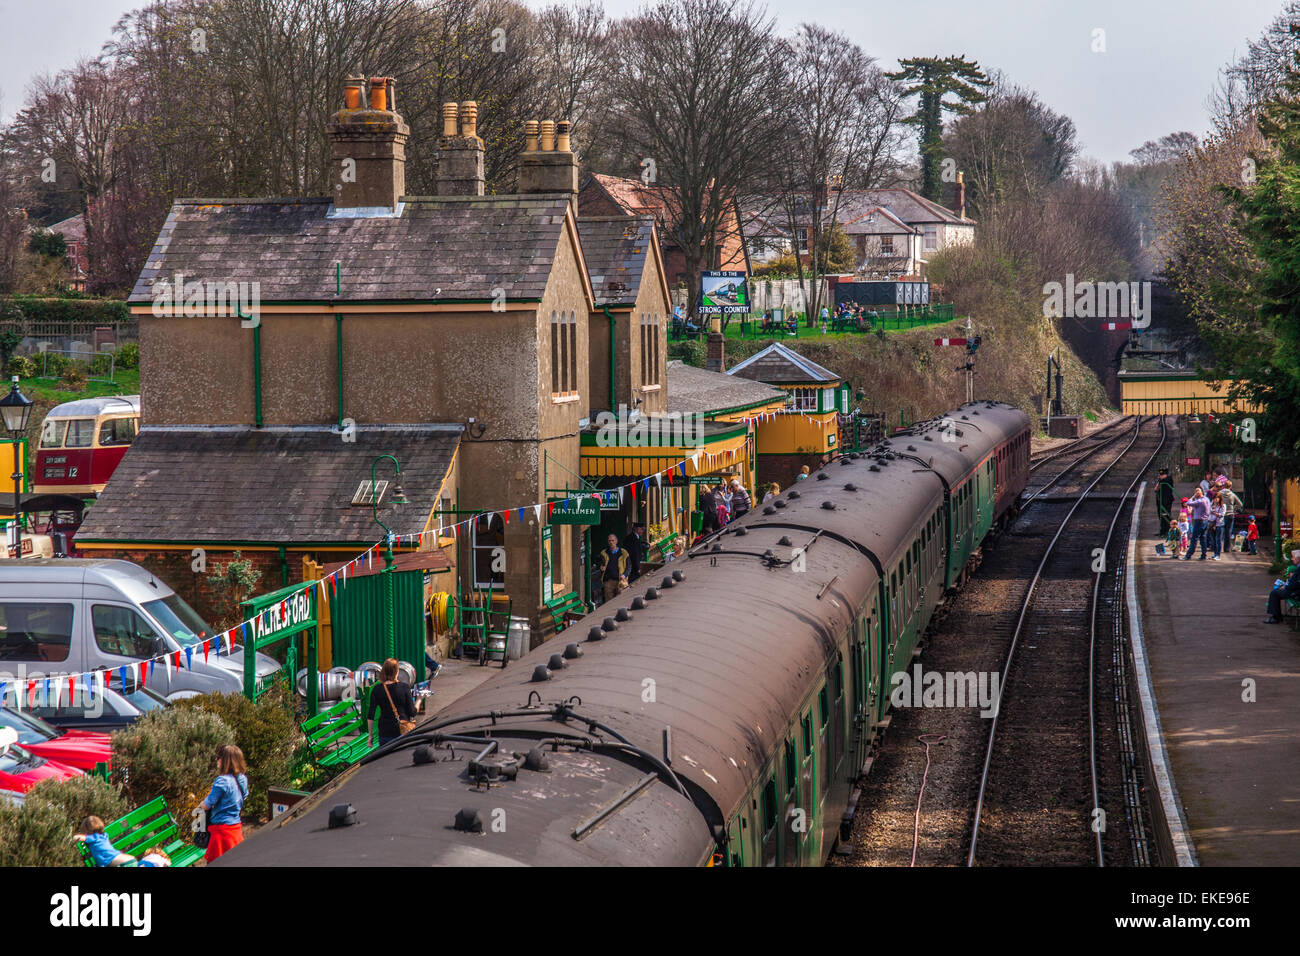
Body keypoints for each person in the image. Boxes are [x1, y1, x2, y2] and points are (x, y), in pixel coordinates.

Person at [199, 744, 249, 863]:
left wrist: (199, 805)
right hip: (235, 828)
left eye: (218, 757)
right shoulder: (242, 778)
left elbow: (208, 804)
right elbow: (245, 795)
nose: (217, 760)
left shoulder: (222, 781)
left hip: (221, 832)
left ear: (224, 760)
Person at [368, 658, 416, 746]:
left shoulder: (377, 689)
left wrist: (370, 736)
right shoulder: (404, 687)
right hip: (402, 731)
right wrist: (419, 700)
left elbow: (371, 714)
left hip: (384, 732)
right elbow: (412, 712)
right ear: (396, 672)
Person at [1264, 552, 1300, 623]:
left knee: (1274, 593)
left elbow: (1298, 584)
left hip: (1296, 592)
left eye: (1293, 557)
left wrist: (1286, 586)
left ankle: (1276, 617)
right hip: (1295, 590)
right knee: (1276, 590)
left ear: (1298, 559)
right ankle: (1276, 616)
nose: (1292, 559)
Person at [1183, 487, 1211, 560]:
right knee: (1203, 539)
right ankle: (1203, 555)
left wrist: (1193, 496)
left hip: (1199, 521)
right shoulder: (1206, 499)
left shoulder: (1199, 501)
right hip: (1206, 520)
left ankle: (1188, 555)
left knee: (1194, 539)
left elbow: (1187, 503)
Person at [599, 533, 628, 602]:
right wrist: (601, 567)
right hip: (608, 581)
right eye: (609, 541)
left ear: (616, 541)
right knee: (609, 602)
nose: (611, 542)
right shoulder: (604, 552)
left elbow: (629, 566)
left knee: (621, 601)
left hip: (621, 581)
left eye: (613, 540)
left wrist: (624, 575)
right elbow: (599, 563)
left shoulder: (624, 552)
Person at [1218, 480, 1243, 550]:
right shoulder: (1232, 494)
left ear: (1224, 486)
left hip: (1221, 514)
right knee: (1228, 532)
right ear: (1230, 486)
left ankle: (1218, 548)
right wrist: (1234, 508)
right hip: (1230, 514)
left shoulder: (1219, 493)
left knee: (1220, 531)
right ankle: (1227, 548)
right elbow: (1240, 504)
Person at [1209, 493, 1226, 560]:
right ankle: (1215, 554)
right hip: (1212, 524)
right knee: (1213, 540)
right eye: (1214, 498)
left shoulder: (1223, 505)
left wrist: (1214, 512)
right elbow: (1208, 512)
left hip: (1219, 524)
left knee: (1218, 540)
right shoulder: (1211, 504)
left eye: (1217, 498)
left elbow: (1222, 514)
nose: (1215, 500)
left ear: (1220, 498)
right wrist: (1211, 509)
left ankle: (1218, 555)